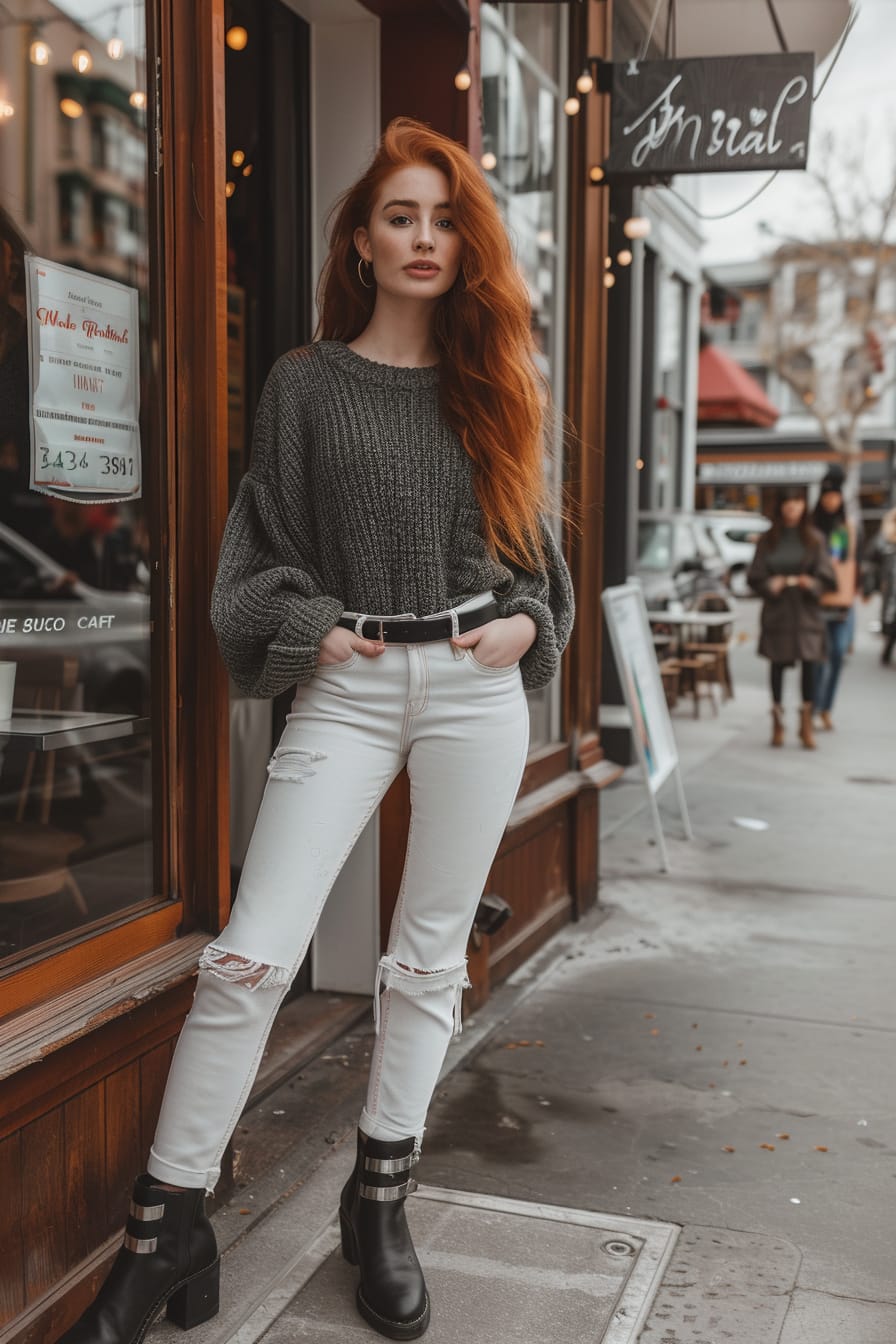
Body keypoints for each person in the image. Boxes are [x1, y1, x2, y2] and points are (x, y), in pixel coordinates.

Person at [60, 118, 574, 1344]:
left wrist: (524, 624)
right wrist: (313, 626)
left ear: (469, 247)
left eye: (445, 221)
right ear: (357, 237)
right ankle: (164, 1225)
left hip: (469, 685)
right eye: (400, 215)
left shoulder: (493, 380)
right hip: (346, 686)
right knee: (248, 954)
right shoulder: (303, 380)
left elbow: (538, 566)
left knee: (426, 961)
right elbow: (259, 550)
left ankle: (378, 1197)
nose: (423, 238)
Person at [747, 488, 835, 749]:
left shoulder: (814, 539)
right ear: (780, 506)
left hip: (806, 613)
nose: (792, 508)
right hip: (778, 612)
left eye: (796, 502)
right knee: (776, 666)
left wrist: (811, 582)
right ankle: (777, 720)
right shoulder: (768, 540)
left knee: (809, 665)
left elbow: (828, 578)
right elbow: (754, 577)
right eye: (787, 502)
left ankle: (806, 724)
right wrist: (769, 584)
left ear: (803, 506)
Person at [810, 475, 858, 729]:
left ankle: (826, 707)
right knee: (818, 656)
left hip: (842, 601)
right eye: (827, 496)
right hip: (817, 601)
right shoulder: (812, 527)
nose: (831, 501)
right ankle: (813, 706)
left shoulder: (844, 527)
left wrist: (853, 592)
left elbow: (851, 563)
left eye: (835, 496)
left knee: (838, 652)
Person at [865, 507, 896, 665]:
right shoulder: (884, 540)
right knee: (891, 618)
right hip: (891, 586)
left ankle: (888, 649)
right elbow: (871, 561)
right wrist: (870, 586)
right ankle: (887, 649)